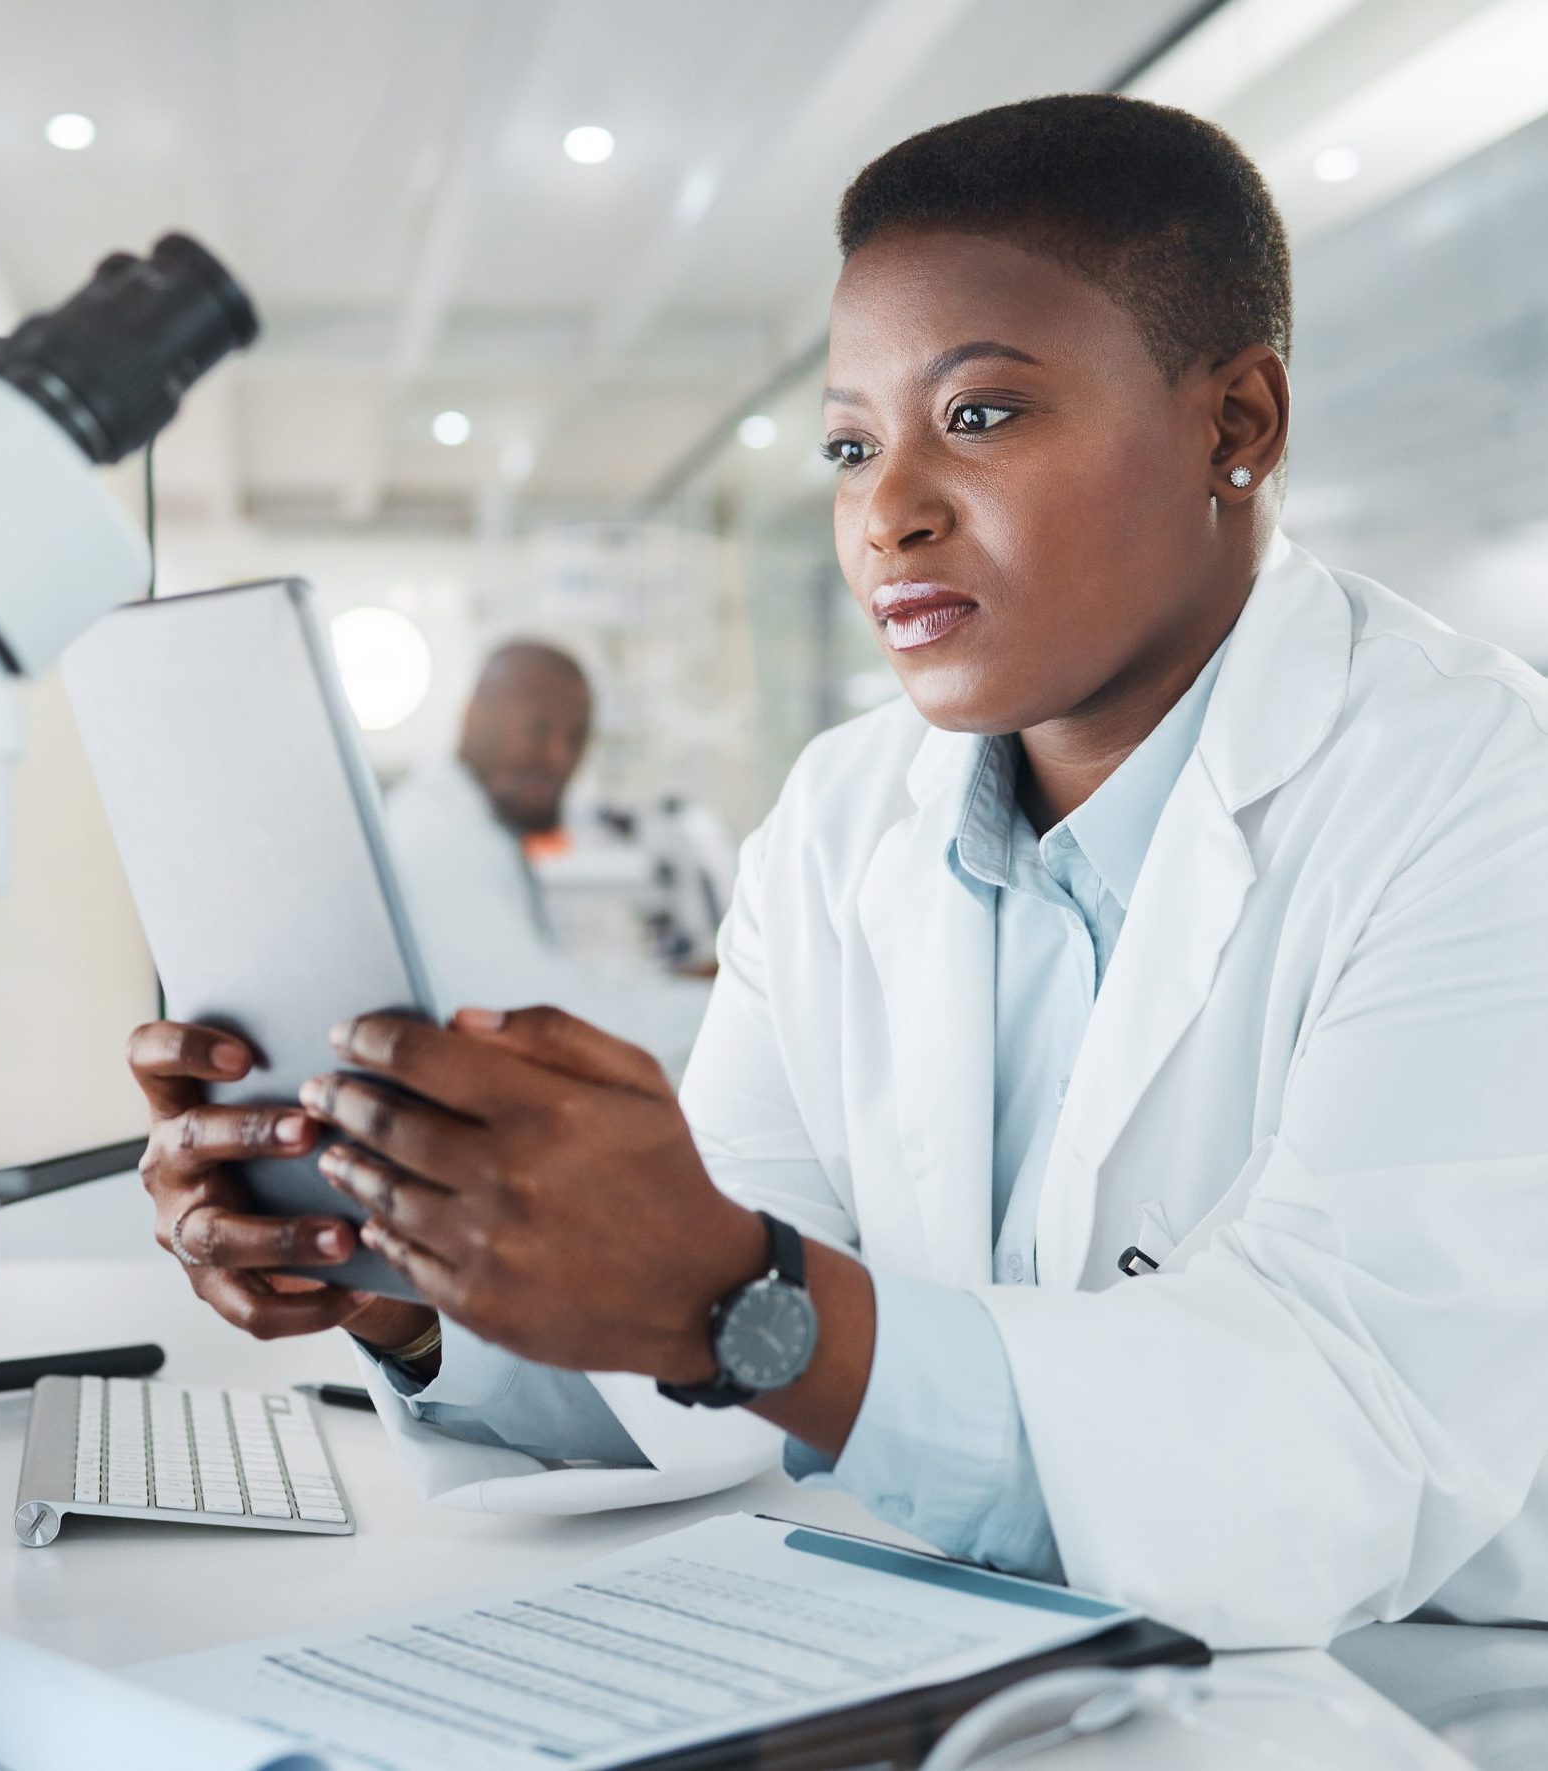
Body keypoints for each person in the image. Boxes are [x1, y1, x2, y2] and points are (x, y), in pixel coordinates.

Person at [127, 94, 1548, 1651]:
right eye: (848, 443)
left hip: (1416, 1683)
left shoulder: (1481, 788)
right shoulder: (841, 813)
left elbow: (1344, 1440)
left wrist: (742, 1299)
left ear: (1235, 424)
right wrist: (416, 1281)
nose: (886, 511)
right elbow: (724, 1355)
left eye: (982, 415)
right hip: (990, 1657)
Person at [384, 640, 710, 1079]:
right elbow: (558, 1027)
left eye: (576, 739)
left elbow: (550, 986)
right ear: (472, 717)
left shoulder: (469, 822)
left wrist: (689, 983)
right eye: (537, 731)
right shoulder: (436, 835)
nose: (559, 757)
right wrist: (744, 996)